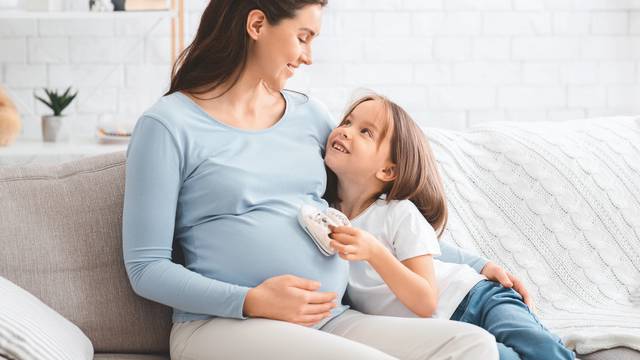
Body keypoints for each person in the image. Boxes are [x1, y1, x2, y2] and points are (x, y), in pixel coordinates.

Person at [122, 1, 522, 358]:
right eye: (303, 37)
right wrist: (251, 300)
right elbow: (146, 268)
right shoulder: (168, 125)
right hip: (220, 326)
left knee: (471, 344)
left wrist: (477, 263)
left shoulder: (310, 116)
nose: (308, 57)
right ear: (257, 25)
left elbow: (366, 213)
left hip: (329, 318)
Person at [323, 93, 576, 360]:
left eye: (365, 131)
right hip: (446, 335)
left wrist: (375, 253)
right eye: (347, 122)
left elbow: (425, 299)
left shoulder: (398, 213)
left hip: (476, 297)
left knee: (543, 351)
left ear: (388, 171)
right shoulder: (324, 213)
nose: (345, 131)